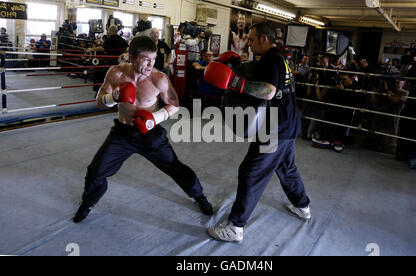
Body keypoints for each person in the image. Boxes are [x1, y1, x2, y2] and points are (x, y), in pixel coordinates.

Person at [73, 36, 213, 223]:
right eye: (145, 59)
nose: (150, 64)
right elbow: (99, 102)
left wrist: (155, 118)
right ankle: (88, 203)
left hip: (150, 133)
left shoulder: (159, 79)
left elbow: (175, 105)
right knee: (96, 171)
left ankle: (199, 196)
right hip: (123, 133)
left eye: (153, 59)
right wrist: (113, 96)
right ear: (132, 58)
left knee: (175, 167)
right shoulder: (115, 73)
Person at [204, 22, 311, 243]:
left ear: (264, 38)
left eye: (252, 39)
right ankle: (302, 206)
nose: (250, 44)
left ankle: (235, 226)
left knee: (251, 172)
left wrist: (235, 82)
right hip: (288, 124)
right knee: (286, 167)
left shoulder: (272, 59)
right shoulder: (280, 58)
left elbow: (268, 91)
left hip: (276, 128)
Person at [87, 25, 129, 93]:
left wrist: (91, 49)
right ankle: (115, 91)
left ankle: (106, 92)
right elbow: (127, 48)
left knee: (108, 77)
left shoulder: (111, 38)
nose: (107, 31)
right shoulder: (121, 38)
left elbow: (103, 48)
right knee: (117, 77)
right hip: (120, 61)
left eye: (108, 29)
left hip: (111, 61)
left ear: (111, 31)